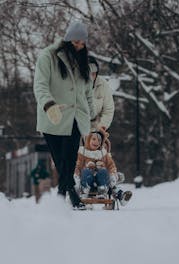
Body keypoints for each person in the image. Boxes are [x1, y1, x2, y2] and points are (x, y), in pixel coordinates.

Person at [33, 21, 95, 209]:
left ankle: (66, 196)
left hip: (76, 117)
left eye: (82, 43)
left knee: (69, 158)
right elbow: (40, 84)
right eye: (75, 42)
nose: (79, 46)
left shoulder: (83, 61)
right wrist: (48, 104)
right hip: (53, 116)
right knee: (60, 160)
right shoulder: (48, 56)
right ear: (67, 40)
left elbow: (87, 91)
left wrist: (91, 113)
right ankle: (67, 192)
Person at [74, 128, 132, 206]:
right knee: (86, 171)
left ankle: (107, 192)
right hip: (85, 180)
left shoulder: (103, 154)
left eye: (99, 141)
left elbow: (111, 166)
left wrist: (112, 174)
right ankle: (85, 191)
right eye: (94, 139)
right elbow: (77, 166)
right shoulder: (82, 153)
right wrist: (76, 175)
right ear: (88, 139)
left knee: (103, 171)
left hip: (101, 181)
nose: (96, 142)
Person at [88, 56, 115, 131]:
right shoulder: (74, 85)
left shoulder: (103, 85)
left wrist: (99, 129)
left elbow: (108, 110)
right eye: (88, 73)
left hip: (96, 130)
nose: (90, 77)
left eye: (93, 74)